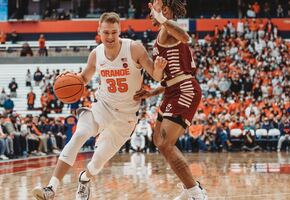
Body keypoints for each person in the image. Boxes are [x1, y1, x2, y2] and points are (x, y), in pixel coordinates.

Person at [32, 12, 167, 200]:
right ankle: (51, 188)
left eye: (114, 32)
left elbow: (156, 75)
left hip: (126, 117)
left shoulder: (134, 49)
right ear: (99, 32)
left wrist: (159, 70)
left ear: (119, 30)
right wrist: (67, 78)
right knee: (79, 134)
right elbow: (84, 78)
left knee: (97, 162)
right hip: (103, 106)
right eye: (106, 33)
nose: (110, 37)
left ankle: (84, 179)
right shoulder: (96, 54)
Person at [135, 0, 207, 199]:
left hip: (185, 90)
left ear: (164, 10)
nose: (150, 13)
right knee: (158, 140)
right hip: (171, 90)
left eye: (153, 9)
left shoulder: (169, 29)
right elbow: (170, 77)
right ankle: (189, 187)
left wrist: (161, 17)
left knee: (166, 143)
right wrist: (151, 92)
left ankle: (195, 193)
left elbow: (185, 37)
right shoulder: (162, 33)